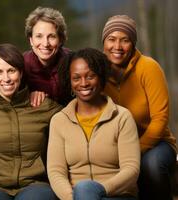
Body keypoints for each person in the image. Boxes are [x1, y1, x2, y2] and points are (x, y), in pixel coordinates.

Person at [0, 43, 62, 200]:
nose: (6, 78)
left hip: (35, 184)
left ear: (21, 72)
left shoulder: (42, 105)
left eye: (11, 71)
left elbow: (74, 118)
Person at [47, 48, 140, 200]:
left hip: (117, 195)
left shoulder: (122, 117)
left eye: (91, 76)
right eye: (76, 78)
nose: (84, 83)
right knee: (83, 190)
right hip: (75, 197)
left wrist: (98, 191)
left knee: (85, 188)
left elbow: (131, 170)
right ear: (69, 81)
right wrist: (74, 198)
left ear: (101, 77)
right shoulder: (59, 121)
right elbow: (56, 171)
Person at [101, 15, 177, 200]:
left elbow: (160, 118)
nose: (117, 47)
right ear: (103, 42)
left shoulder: (149, 67)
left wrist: (136, 151)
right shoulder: (97, 70)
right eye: (111, 39)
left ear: (133, 44)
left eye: (124, 40)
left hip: (154, 144)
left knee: (150, 166)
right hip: (113, 147)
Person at [24, 6, 71, 106]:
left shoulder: (73, 62)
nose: (45, 43)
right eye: (39, 36)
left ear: (61, 39)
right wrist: (26, 95)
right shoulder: (21, 65)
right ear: (31, 40)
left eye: (52, 36)